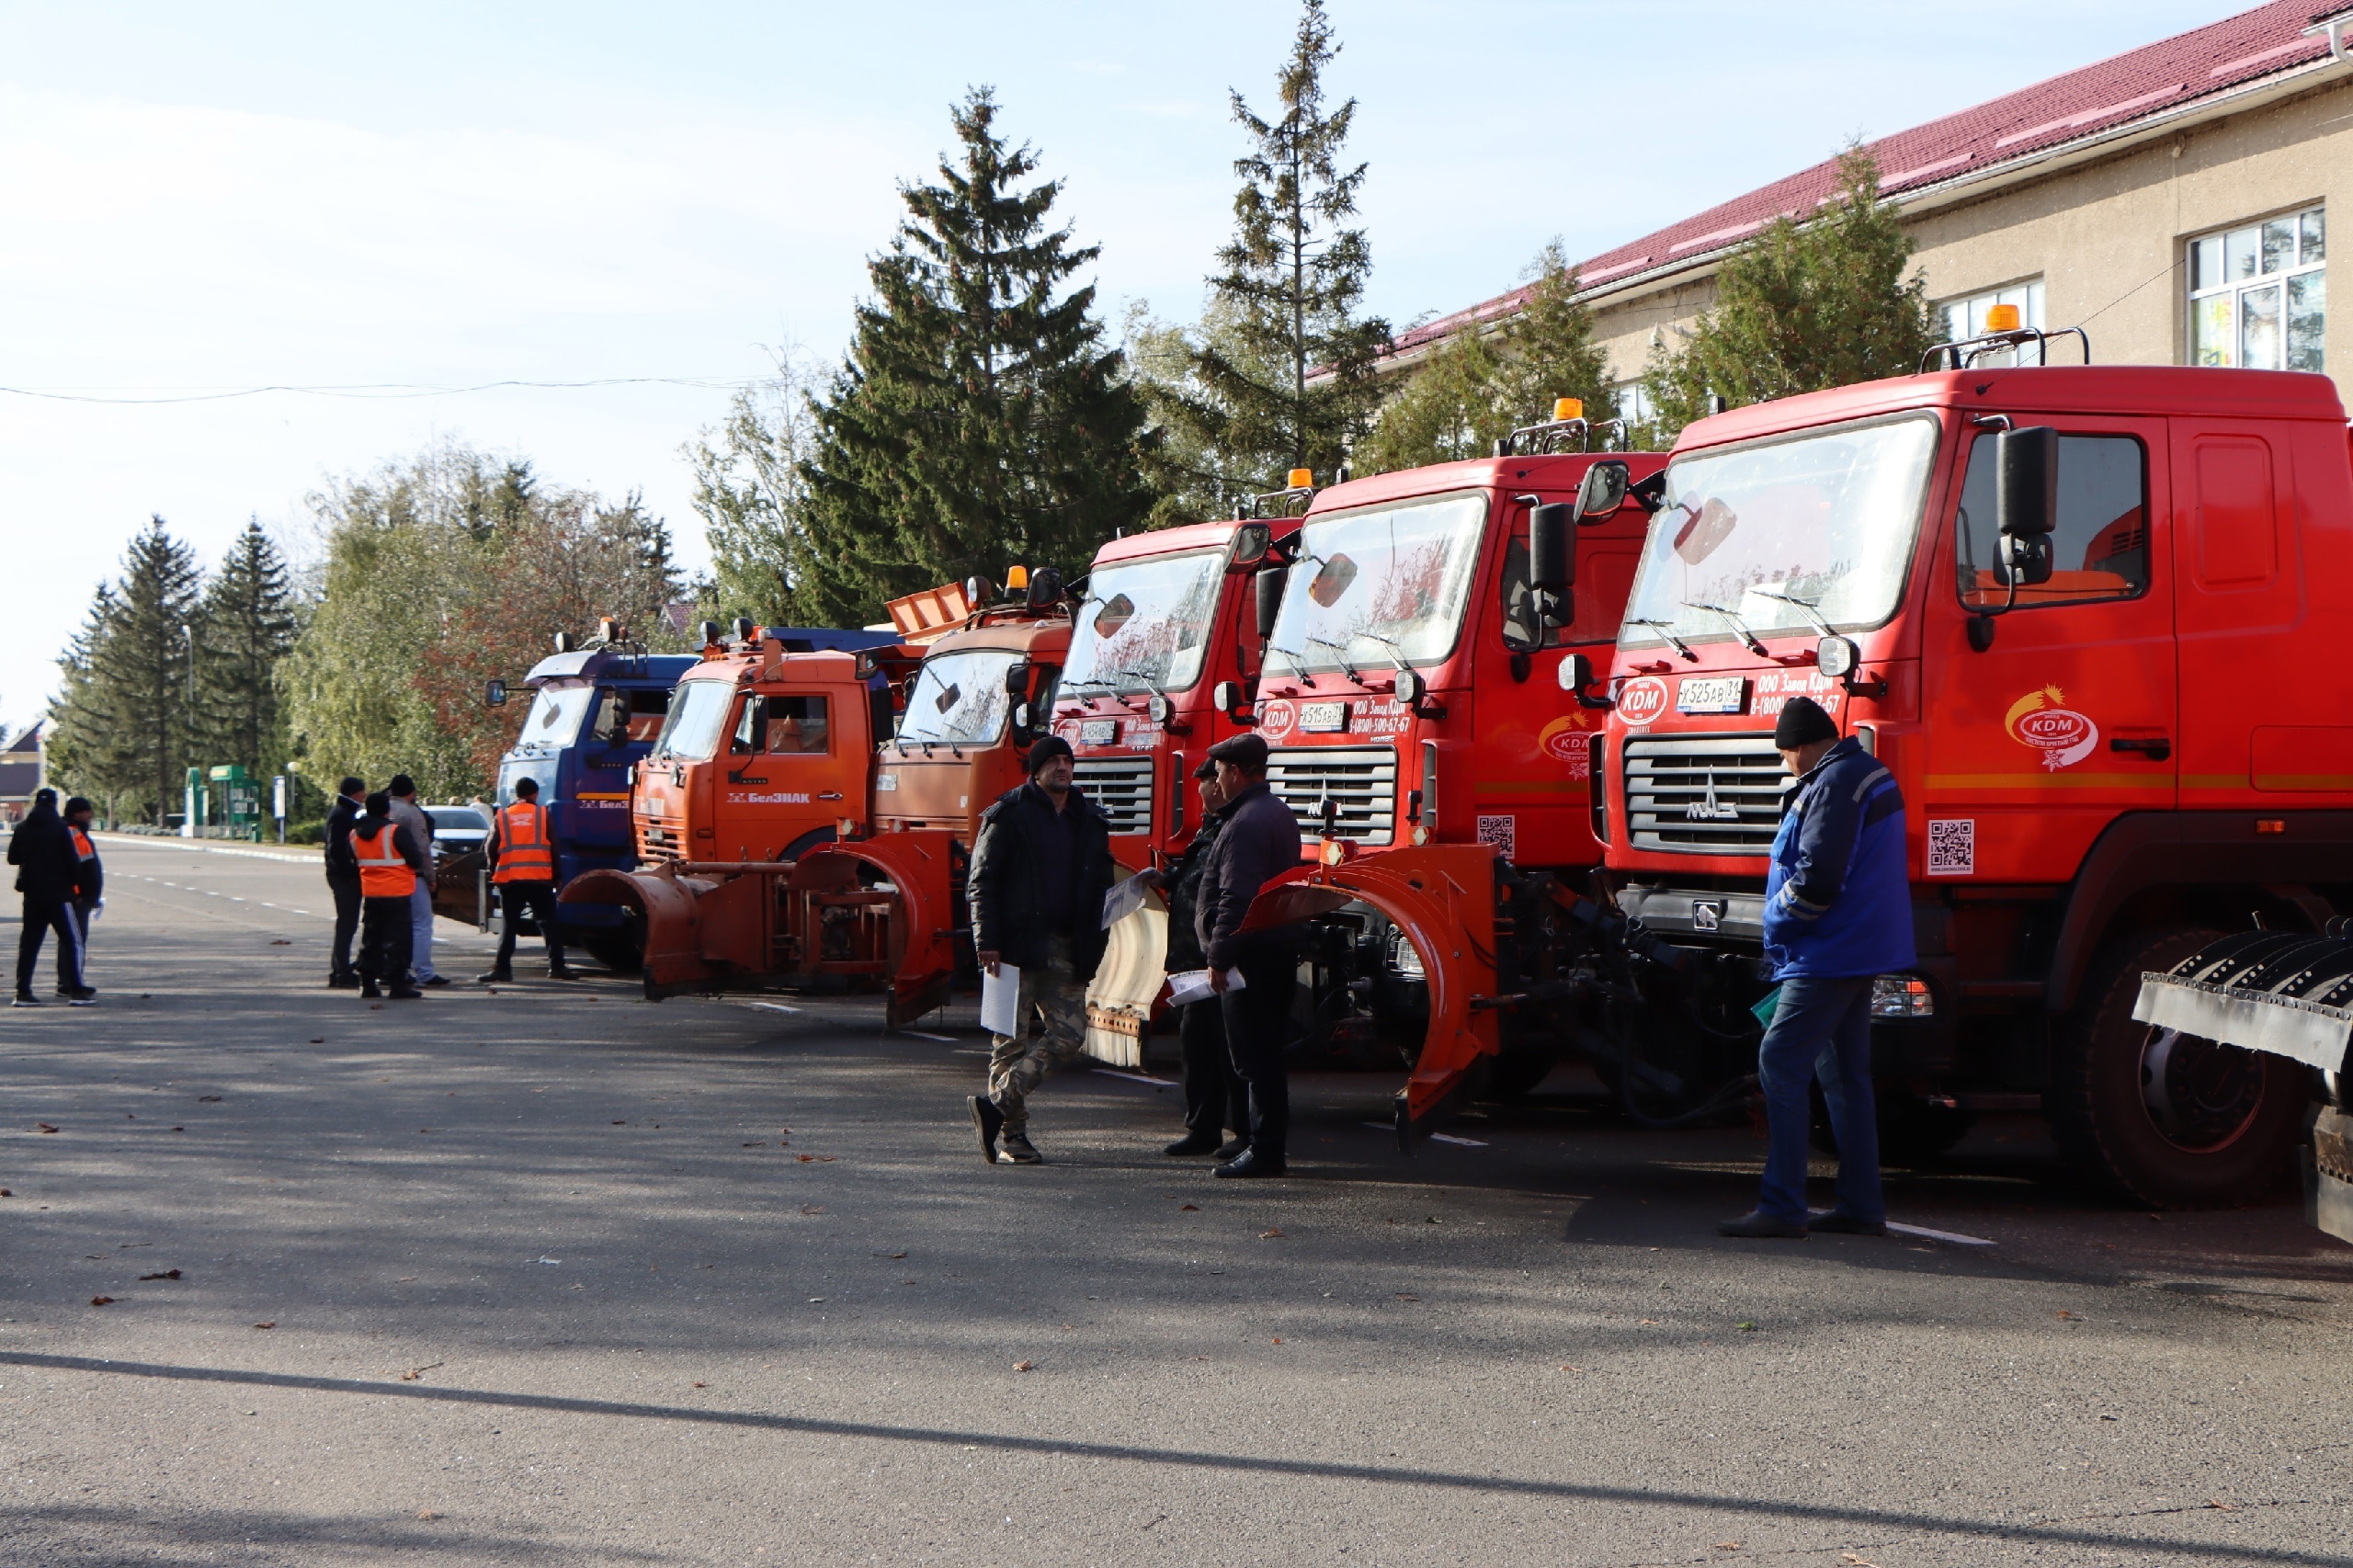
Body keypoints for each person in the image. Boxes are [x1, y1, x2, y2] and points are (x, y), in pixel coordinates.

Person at [1720, 696, 1915, 1240]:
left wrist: (1775, 924)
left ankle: (1782, 1206)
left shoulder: (1831, 785)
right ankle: (1860, 1205)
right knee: (1844, 1075)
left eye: (1786, 755)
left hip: (1828, 951)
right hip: (1860, 948)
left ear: (1802, 747)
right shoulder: (1866, 773)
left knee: (1779, 1061)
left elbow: (1817, 880)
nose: (1786, 765)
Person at [966, 734, 1117, 1165]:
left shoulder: (1088, 818)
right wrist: (986, 941)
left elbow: (1099, 887)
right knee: (1008, 1044)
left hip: (1067, 947)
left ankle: (993, 1108)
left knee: (1070, 1036)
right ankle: (1014, 1138)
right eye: (1052, 762)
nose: (1062, 768)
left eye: (1067, 761)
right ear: (1035, 770)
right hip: (1011, 948)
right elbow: (982, 884)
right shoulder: (1007, 815)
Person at [1195, 733, 1304, 1178]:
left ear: (1237, 772)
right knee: (1265, 1056)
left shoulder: (1246, 822)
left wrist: (1219, 955)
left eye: (1220, 773)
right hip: (1273, 951)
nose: (1216, 782)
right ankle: (1266, 1146)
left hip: (1251, 959)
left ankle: (1265, 1150)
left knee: (1255, 1058)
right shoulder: (1274, 812)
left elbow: (1237, 898)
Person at [1134, 760, 1249, 1158]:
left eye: (1209, 782)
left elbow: (1230, 893)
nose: (1205, 789)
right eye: (1206, 782)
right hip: (1190, 960)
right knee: (1197, 1047)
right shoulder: (1210, 826)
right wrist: (1165, 879)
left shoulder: (1234, 826)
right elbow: (1197, 874)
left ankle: (1244, 1133)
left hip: (1215, 958)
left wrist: (1220, 952)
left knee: (1229, 1049)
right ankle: (1203, 1128)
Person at [477, 777, 574, 983]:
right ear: (535, 794)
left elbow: (491, 847)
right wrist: (557, 875)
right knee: (548, 922)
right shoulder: (542, 814)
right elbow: (554, 847)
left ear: (517, 794)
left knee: (509, 924)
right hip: (540, 879)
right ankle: (557, 966)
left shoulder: (502, 815)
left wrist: (494, 869)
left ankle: (502, 969)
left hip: (511, 879)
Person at [8, 789, 93, 1006]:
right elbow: (73, 861)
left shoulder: (23, 828)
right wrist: (73, 887)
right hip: (59, 894)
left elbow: (13, 858)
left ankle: (23, 992)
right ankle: (76, 990)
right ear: (54, 805)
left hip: (32, 894)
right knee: (72, 941)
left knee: (29, 943)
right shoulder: (60, 829)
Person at [351, 790, 428, 1001]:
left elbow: (354, 860)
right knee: (399, 941)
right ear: (387, 810)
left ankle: (367, 983)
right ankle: (397, 984)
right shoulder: (395, 832)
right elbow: (415, 859)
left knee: (371, 939)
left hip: (371, 893)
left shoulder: (355, 834)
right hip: (397, 892)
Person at [386, 775, 445, 987]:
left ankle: (390, 970)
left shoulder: (382, 811)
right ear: (410, 793)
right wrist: (431, 877)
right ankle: (424, 972)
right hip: (411, 875)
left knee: (391, 926)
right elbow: (422, 848)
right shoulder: (411, 812)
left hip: (382, 878)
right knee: (421, 923)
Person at [324, 777, 366, 989]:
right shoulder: (342, 815)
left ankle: (341, 969)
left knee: (347, 924)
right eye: (362, 791)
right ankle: (341, 971)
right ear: (355, 793)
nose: (365, 795)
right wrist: (349, 872)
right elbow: (336, 849)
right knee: (347, 924)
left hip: (341, 875)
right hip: (343, 876)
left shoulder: (344, 811)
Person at [61, 798, 102, 994]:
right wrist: (79, 895)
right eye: (87, 811)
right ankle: (70, 983)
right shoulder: (72, 834)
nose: (90, 815)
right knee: (74, 941)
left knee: (72, 940)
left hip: (82, 897)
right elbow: (76, 869)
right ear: (76, 814)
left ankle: (70, 982)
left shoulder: (78, 833)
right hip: (77, 898)